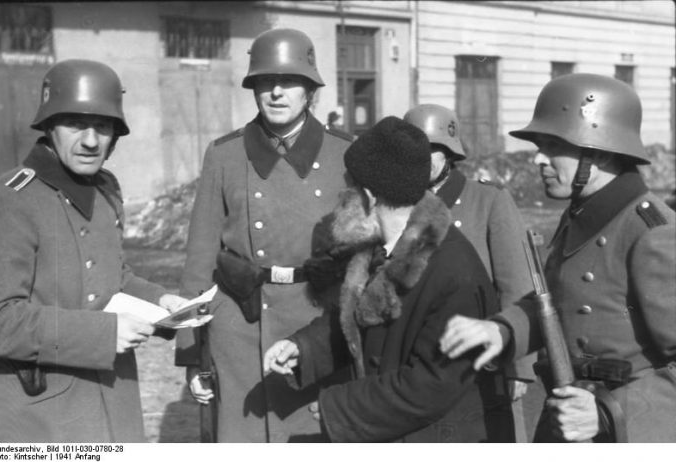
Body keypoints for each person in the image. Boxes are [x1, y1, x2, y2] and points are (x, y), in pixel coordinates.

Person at [439, 73, 676, 442]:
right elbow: (556, 302)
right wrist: (501, 330)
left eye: (552, 145)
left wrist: (608, 414)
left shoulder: (652, 231)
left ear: (598, 152)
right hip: (564, 420)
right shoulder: (585, 213)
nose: (537, 158)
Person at [264, 116, 508, 442]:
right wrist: (303, 348)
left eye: (348, 188)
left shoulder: (452, 271)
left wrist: (341, 407)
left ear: (368, 195)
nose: (342, 200)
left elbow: (432, 385)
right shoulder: (381, 249)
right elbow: (361, 319)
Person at [0, 59, 187, 442]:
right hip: (42, 417)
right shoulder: (10, 200)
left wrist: (160, 300)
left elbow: (114, 275)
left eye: (104, 126)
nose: (92, 140)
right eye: (76, 124)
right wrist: (102, 334)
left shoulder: (104, 191)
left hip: (115, 399)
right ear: (49, 126)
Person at [174, 28, 353, 442]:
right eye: (264, 82)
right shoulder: (224, 155)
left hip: (316, 327)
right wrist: (189, 351)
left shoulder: (343, 154)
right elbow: (200, 258)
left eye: (289, 82)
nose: (275, 92)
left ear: (311, 91)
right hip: (239, 330)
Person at [403, 104, 541, 442]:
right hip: (414, 362)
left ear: (449, 153)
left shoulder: (487, 201)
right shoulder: (397, 204)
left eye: (432, 149)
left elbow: (518, 287)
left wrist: (519, 368)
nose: (422, 158)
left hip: (479, 359)